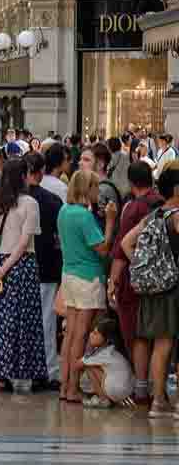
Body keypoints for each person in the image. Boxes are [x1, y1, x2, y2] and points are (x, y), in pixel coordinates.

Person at [0, 158, 48, 393]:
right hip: (23, 266)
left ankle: (2, 375)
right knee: (28, 321)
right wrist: (5, 268)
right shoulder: (30, 203)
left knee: (2, 321)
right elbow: (24, 242)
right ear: (23, 176)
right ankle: (32, 372)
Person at [121, 161, 179, 418]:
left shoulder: (154, 215)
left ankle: (158, 401)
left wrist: (148, 267)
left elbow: (126, 243)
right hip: (174, 288)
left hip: (155, 288)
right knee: (170, 344)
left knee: (160, 344)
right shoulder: (177, 216)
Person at [57, 170, 117, 403]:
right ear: (87, 189)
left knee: (70, 333)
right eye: (94, 188)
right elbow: (102, 248)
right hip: (88, 278)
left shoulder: (65, 211)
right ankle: (72, 387)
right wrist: (110, 221)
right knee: (81, 335)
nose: (97, 192)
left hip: (69, 275)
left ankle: (65, 386)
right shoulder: (84, 216)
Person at [109, 161, 162, 404]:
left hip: (135, 278)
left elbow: (122, 249)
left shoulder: (132, 208)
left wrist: (113, 280)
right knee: (161, 335)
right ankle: (158, 388)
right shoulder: (162, 204)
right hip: (164, 278)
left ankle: (142, 387)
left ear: (131, 182)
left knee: (138, 332)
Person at [24, 151, 64, 391]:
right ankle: (48, 371)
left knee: (22, 320)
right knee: (47, 322)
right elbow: (59, 238)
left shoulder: (11, 199)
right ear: (41, 172)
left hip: (17, 267)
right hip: (47, 266)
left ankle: (22, 369)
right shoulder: (52, 201)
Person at [76, 315, 134, 409]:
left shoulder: (103, 353)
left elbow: (77, 365)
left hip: (116, 390)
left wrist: (88, 349)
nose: (90, 335)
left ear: (106, 340)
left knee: (89, 367)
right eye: (91, 332)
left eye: (95, 333)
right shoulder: (113, 350)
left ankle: (103, 399)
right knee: (100, 367)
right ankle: (108, 397)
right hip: (127, 390)